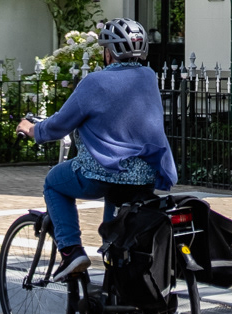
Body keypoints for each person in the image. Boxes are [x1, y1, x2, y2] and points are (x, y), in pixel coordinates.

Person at [17, 17, 177, 281]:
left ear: (108, 52)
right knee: (116, 240)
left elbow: (60, 124)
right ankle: (125, 310)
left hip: (102, 174)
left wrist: (32, 129)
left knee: (53, 183)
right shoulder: (149, 78)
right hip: (145, 176)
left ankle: (71, 251)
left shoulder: (94, 82)